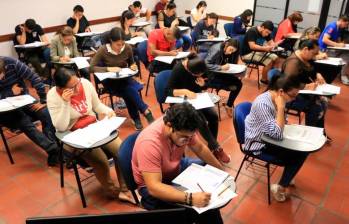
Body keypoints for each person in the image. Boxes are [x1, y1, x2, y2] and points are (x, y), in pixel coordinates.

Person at [47, 67, 134, 202]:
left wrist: (108, 111)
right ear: (61, 88)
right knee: (102, 162)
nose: (77, 89)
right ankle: (113, 192)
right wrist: (65, 103)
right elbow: (61, 127)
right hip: (73, 135)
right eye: (71, 87)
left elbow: (97, 106)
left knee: (122, 151)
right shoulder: (53, 96)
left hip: (94, 127)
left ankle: (125, 188)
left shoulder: (85, 84)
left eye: (77, 84)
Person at [132, 103, 224, 224]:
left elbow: (200, 148)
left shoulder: (184, 128)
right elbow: (154, 187)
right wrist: (191, 198)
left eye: (190, 137)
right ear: (169, 126)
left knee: (209, 172)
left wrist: (220, 170)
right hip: (153, 186)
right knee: (201, 210)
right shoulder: (150, 143)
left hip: (173, 168)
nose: (188, 140)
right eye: (184, 137)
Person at [245, 73, 309, 202]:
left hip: (269, 137)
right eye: (292, 96)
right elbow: (278, 135)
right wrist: (281, 108)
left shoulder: (277, 98)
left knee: (302, 148)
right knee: (299, 154)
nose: (294, 99)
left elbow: (282, 123)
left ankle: (287, 176)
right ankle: (280, 186)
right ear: (281, 92)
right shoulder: (263, 104)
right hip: (259, 143)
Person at [165, 53, 231, 163]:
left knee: (213, 116)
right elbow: (167, 91)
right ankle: (216, 148)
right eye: (196, 75)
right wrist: (185, 91)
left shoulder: (199, 64)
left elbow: (206, 84)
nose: (198, 76)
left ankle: (211, 144)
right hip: (181, 101)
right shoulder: (178, 69)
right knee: (199, 118)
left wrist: (203, 85)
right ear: (189, 70)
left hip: (196, 97)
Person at [90, 27, 154, 130]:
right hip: (110, 82)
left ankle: (137, 118)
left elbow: (132, 63)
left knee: (127, 90)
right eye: (118, 44)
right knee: (128, 89)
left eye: (122, 43)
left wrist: (133, 66)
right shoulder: (103, 50)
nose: (120, 47)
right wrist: (108, 69)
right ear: (111, 41)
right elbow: (91, 68)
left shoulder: (127, 47)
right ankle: (145, 111)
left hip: (125, 78)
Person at [0, 56, 59, 166]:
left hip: (22, 100)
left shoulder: (11, 63)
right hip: (4, 111)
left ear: (5, 68)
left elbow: (34, 78)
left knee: (45, 113)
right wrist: (10, 92)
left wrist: (42, 100)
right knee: (23, 121)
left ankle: (52, 151)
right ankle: (53, 149)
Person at [282, 39, 329, 131]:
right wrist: (305, 86)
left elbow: (312, 69)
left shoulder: (306, 58)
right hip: (290, 95)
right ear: (305, 49)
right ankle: (311, 132)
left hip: (303, 91)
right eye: (314, 53)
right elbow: (288, 83)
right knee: (316, 107)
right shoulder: (293, 63)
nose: (315, 56)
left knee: (324, 101)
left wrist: (317, 74)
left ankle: (319, 131)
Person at [205, 38, 243, 116]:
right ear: (226, 44)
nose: (230, 53)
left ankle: (228, 105)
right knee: (235, 85)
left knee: (239, 83)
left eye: (233, 51)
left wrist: (238, 73)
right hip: (210, 76)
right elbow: (206, 64)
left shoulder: (228, 50)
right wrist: (220, 67)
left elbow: (229, 64)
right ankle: (228, 105)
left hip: (220, 73)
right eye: (230, 50)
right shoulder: (217, 50)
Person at [241, 20, 279, 84]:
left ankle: (271, 77)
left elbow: (271, 43)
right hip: (247, 54)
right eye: (266, 32)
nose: (267, 34)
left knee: (275, 57)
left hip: (257, 52)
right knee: (269, 61)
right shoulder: (252, 31)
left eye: (269, 33)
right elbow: (252, 46)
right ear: (262, 27)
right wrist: (265, 48)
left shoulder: (266, 32)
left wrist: (274, 45)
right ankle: (263, 80)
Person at [318, 15, 349, 85]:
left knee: (347, 55)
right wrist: (338, 45)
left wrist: (341, 43)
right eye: (346, 24)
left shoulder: (339, 28)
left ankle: (342, 74)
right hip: (324, 49)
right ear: (341, 21)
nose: (346, 26)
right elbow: (325, 39)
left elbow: (337, 40)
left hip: (331, 48)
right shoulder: (332, 26)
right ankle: (330, 77)